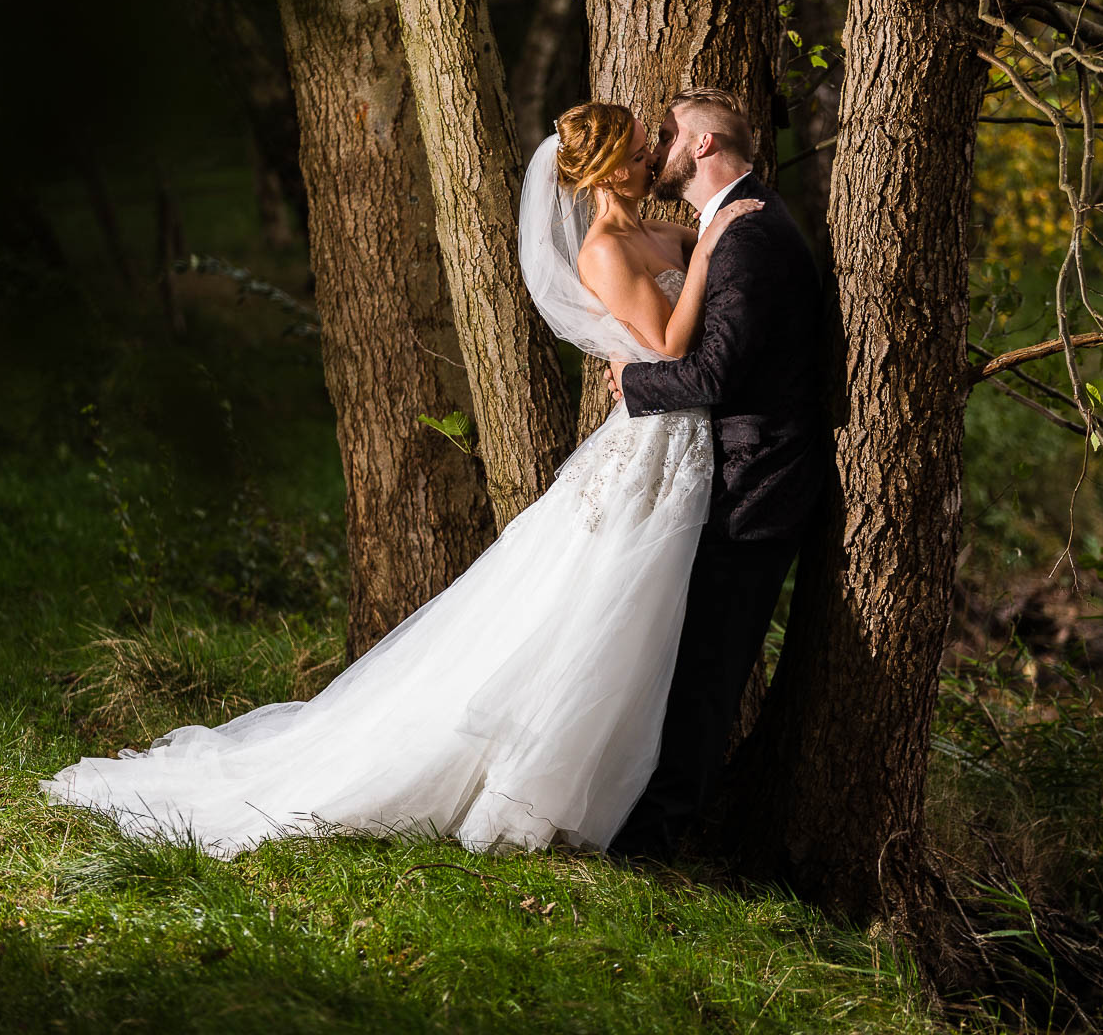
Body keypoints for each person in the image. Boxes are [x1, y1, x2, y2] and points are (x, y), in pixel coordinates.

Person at [39, 101, 763, 858]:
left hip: (677, 439)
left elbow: (707, 280)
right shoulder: (608, 248)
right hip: (651, 442)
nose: (657, 158)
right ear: (613, 168)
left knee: (631, 607)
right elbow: (672, 344)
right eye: (647, 149)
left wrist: (714, 237)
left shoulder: (654, 233)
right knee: (598, 600)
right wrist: (708, 251)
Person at [606, 87, 825, 860]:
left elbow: (713, 377)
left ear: (701, 145)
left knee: (708, 669)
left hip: (755, 488)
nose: (654, 147)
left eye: (665, 134)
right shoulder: (722, 227)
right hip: (728, 481)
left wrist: (632, 382)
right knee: (687, 657)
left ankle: (652, 846)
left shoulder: (749, 236)